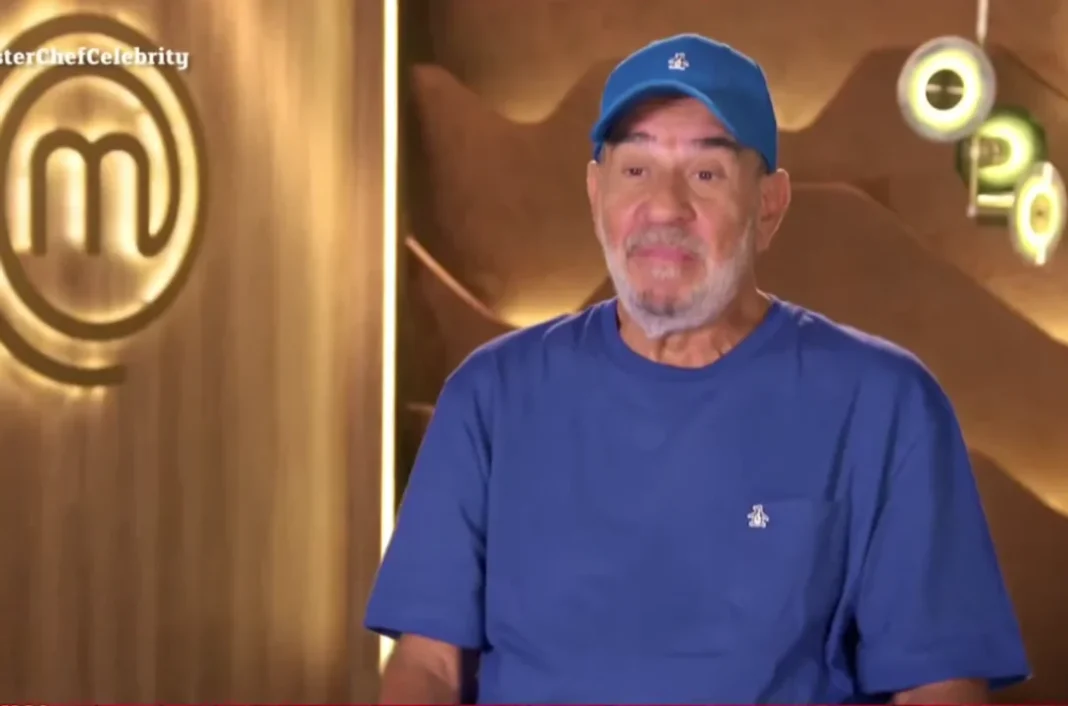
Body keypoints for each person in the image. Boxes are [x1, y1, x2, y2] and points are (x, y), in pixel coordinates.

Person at [365, 33, 1031, 704]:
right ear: (596, 193)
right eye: (636, 169)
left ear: (769, 205)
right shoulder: (490, 395)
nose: (664, 206)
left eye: (707, 173)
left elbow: (937, 686)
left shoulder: (887, 404)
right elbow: (430, 666)